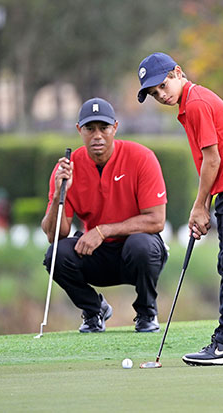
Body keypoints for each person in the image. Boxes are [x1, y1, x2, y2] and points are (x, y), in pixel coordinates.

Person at [137, 52, 223, 365]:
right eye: (154, 93)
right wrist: (206, 204)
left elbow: (213, 160)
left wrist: (200, 206)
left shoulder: (196, 103)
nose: (161, 94)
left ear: (178, 72)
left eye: (162, 85)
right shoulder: (191, 103)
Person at [41, 97, 168, 333]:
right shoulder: (68, 168)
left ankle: (146, 312)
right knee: (55, 254)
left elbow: (156, 220)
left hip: (136, 252)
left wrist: (103, 230)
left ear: (115, 128)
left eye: (104, 128)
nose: (97, 135)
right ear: (80, 130)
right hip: (96, 254)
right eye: (90, 129)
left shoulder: (142, 157)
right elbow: (55, 235)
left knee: (142, 245)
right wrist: (59, 193)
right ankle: (93, 310)